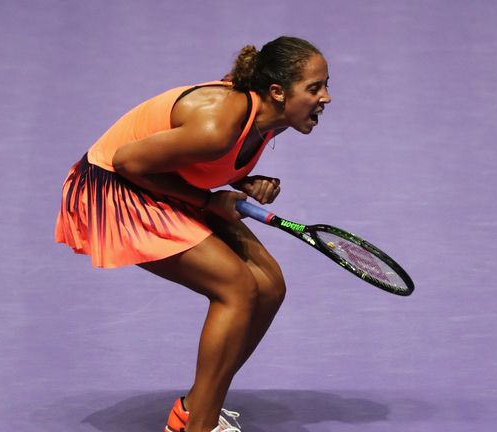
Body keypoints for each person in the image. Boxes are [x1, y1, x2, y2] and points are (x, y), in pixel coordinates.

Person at [55, 36, 331, 432]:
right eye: (314, 88)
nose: (326, 97)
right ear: (277, 91)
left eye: (325, 85)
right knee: (235, 287)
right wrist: (208, 202)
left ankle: (196, 408)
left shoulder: (271, 120)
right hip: (112, 186)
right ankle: (197, 426)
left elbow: (206, 162)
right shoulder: (217, 126)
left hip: (160, 182)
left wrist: (244, 180)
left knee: (269, 287)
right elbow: (127, 162)